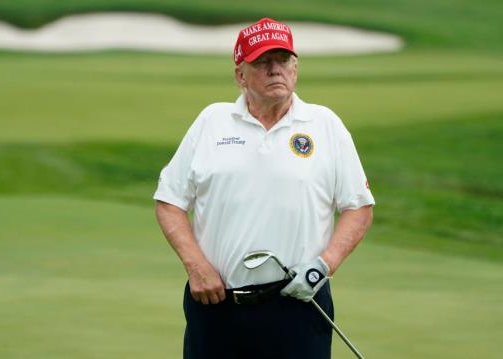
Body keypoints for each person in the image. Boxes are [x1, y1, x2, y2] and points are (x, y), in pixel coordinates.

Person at [154, 17, 374, 359]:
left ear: (296, 68)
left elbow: (358, 207)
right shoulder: (212, 121)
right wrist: (195, 265)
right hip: (216, 304)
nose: (276, 70)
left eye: (283, 60)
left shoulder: (325, 125)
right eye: (263, 62)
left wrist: (324, 265)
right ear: (241, 75)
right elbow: (169, 201)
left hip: (299, 303)